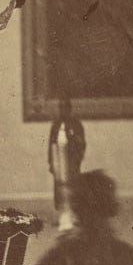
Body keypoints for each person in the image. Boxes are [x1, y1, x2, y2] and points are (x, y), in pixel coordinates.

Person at [48, 97, 86, 231]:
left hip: (71, 163)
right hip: (59, 161)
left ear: (70, 109)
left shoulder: (76, 124)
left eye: (65, 107)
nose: (63, 110)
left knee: (73, 188)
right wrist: (51, 162)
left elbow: (81, 143)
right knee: (60, 189)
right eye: (61, 107)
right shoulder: (56, 125)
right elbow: (51, 143)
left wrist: (77, 159)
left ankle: (75, 217)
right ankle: (62, 217)